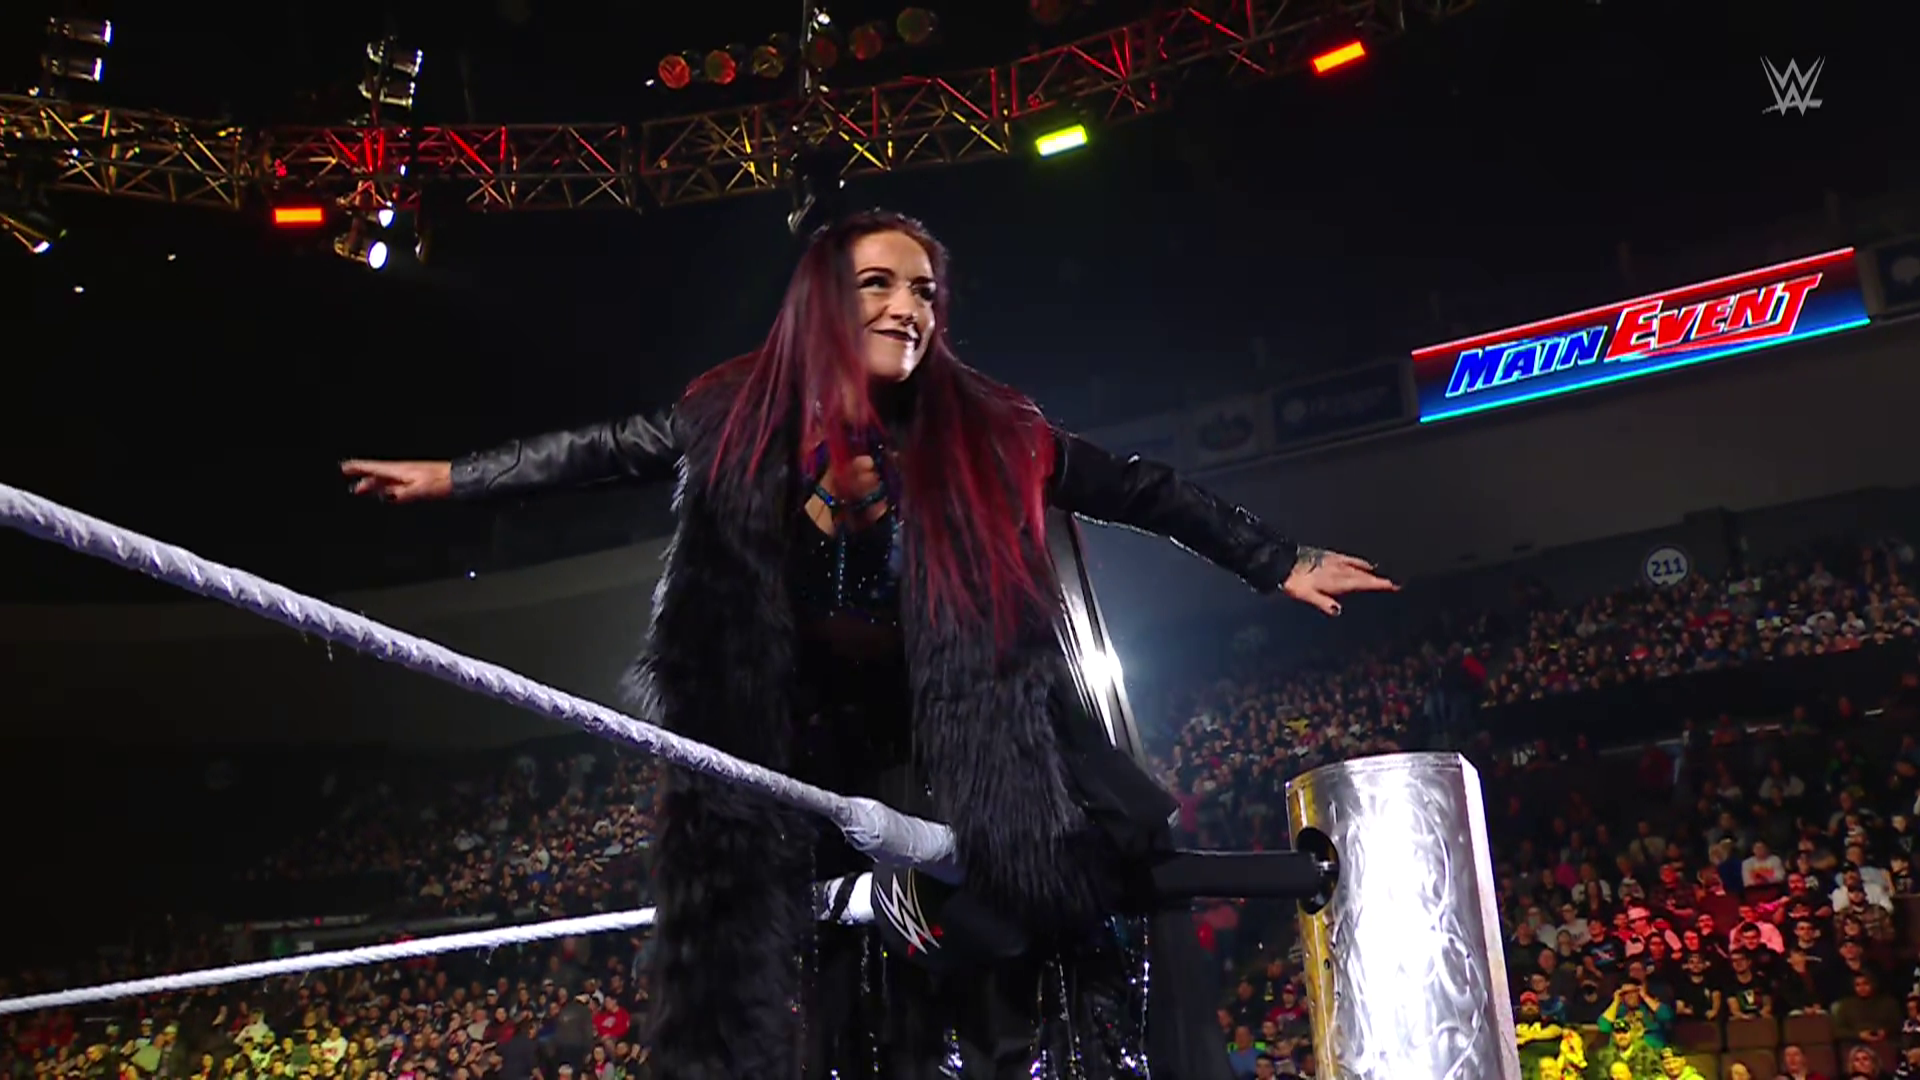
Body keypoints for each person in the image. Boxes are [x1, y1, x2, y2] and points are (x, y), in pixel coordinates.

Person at [342, 209, 1395, 1078]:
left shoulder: (989, 428)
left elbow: (1139, 489)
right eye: (878, 286)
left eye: (924, 291)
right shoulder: (736, 414)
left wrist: (1276, 558)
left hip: (956, 730)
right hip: (809, 740)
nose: (906, 308)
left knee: (1019, 933)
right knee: (831, 996)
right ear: (822, 305)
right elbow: (605, 450)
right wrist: (455, 479)